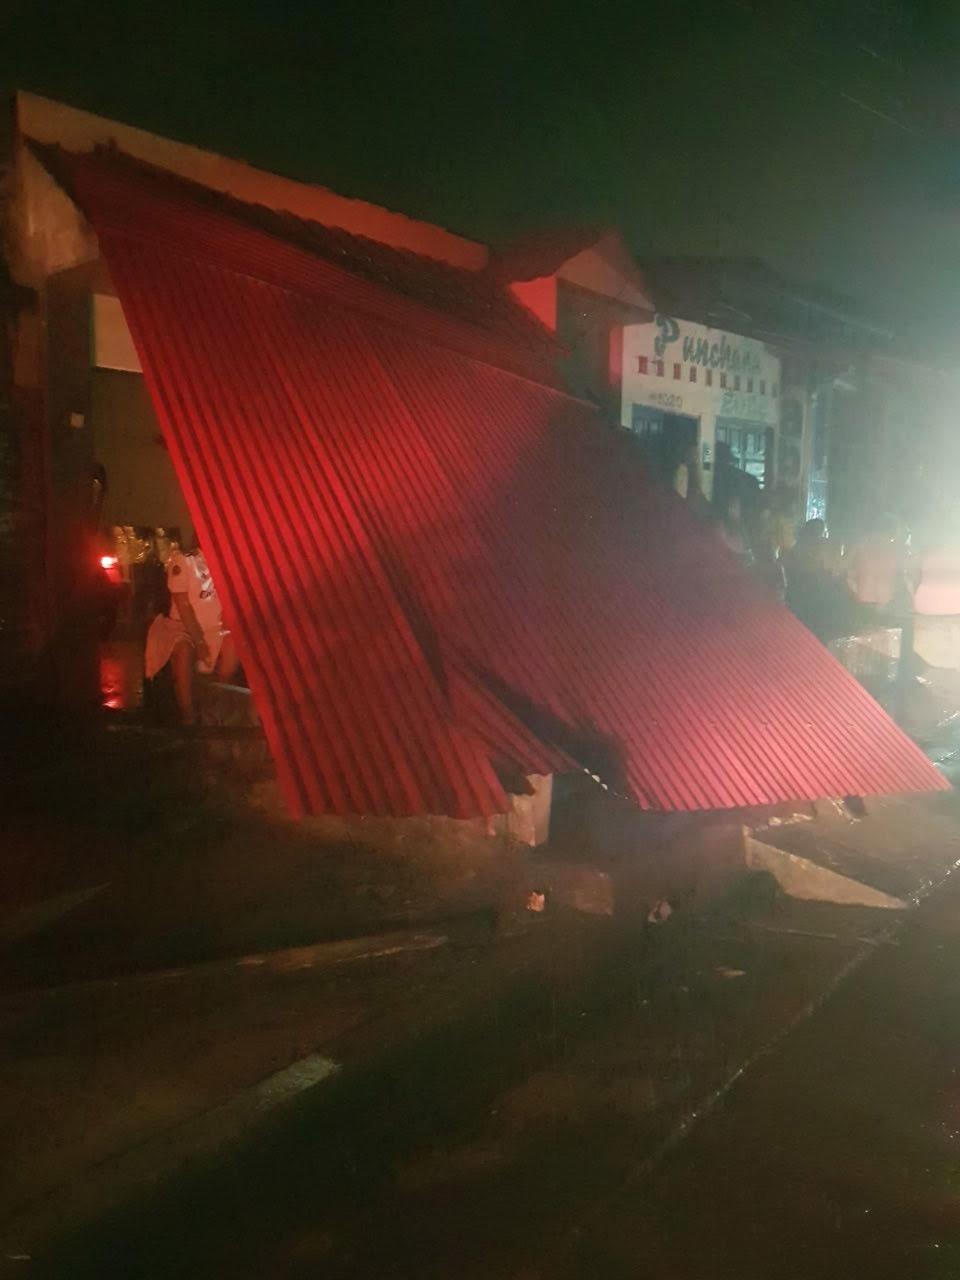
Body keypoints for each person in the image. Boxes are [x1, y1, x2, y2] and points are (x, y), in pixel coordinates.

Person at [144, 538, 239, 724]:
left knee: (236, 644)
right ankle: (188, 716)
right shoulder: (184, 561)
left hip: (214, 627)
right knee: (184, 649)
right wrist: (200, 642)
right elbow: (184, 606)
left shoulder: (227, 563)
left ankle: (217, 702)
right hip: (182, 626)